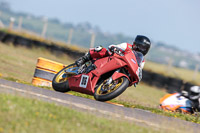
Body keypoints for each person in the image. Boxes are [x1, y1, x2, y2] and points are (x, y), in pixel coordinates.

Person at [75, 35, 151, 81]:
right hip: (112, 59)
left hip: (122, 70)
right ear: (135, 44)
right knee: (101, 50)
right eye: (140, 46)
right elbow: (113, 46)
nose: (141, 49)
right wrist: (114, 48)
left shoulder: (142, 61)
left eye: (144, 48)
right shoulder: (127, 46)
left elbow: (138, 70)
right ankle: (84, 59)